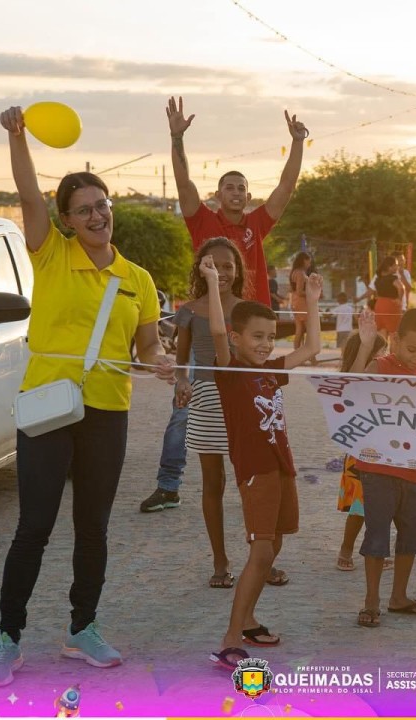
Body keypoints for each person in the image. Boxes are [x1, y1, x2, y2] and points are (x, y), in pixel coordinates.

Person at [0, 106, 175, 687]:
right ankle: (7, 638)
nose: (97, 215)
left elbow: (145, 351)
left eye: (103, 205)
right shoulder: (51, 253)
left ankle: (81, 629)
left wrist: (163, 367)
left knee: (93, 527)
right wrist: (19, 138)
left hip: (108, 410)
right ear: (66, 220)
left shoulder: (136, 280)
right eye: (84, 209)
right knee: (33, 526)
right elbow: (27, 194)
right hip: (47, 405)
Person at [140, 96, 307, 514]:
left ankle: (265, 483)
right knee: (188, 401)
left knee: (258, 407)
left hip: (249, 334)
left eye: (242, 188)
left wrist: (298, 143)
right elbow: (182, 183)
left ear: (248, 196)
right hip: (203, 325)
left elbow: (286, 188)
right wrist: (176, 138)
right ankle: (169, 483)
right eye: (228, 187)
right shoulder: (202, 220)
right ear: (218, 194)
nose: (235, 192)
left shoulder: (256, 225)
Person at [203, 255, 322, 667]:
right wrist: (214, 282)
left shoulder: (271, 369)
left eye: (270, 337)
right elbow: (218, 328)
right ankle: (231, 636)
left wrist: (311, 301)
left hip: (282, 465)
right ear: (237, 338)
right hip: (255, 471)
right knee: (261, 551)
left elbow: (312, 347)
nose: (266, 344)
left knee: (274, 546)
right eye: (257, 336)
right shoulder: (231, 371)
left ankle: (250, 618)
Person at [348, 307, 416, 628]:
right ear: (395, 339)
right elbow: (352, 388)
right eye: (412, 349)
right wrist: (365, 344)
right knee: (377, 533)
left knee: (411, 532)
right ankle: (371, 599)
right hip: (376, 468)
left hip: (412, 471)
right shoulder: (381, 365)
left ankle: (398, 596)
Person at [170, 237, 250, 589]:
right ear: (201, 268)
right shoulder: (188, 311)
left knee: (251, 481)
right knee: (212, 483)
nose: (221, 271)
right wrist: (180, 383)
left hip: (242, 398)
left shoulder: (248, 310)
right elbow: (181, 362)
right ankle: (220, 560)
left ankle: (261, 558)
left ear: (238, 270)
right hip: (205, 398)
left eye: (229, 265)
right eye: (213, 264)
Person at [334, 331, 394, 572]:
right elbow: (354, 382)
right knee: (360, 507)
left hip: (385, 451)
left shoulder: (387, 381)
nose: (385, 357)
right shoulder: (354, 384)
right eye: (380, 353)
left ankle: (377, 550)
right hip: (361, 453)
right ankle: (346, 548)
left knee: (384, 506)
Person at [372, 256, 405, 335]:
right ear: (389, 267)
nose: (397, 267)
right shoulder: (392, 278)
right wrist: (399, 299)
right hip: (391, 304)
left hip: (379, 304)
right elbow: (401, 288)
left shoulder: (378, 279)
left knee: (382, 331)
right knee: (394, 332)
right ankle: (393, 347)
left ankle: (383, 347)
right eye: (396, 265)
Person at [289, 251, 312, 352]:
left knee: (299, 330)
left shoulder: (294, 272)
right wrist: (312, 293)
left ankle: (297, 354)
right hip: (301, 302)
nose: (309, 264)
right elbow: (299, 291)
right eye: (308, 262)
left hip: (295, 301)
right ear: (304, 261)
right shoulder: (300, 273)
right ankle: (311, 356)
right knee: (310, 330)